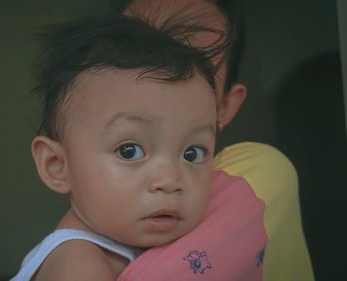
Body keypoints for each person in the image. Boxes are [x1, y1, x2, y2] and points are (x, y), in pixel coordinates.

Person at [12, 13, 230, 281]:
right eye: (130, 151)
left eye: (192, 153)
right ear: (57, 166)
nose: (170, 180)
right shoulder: (79, 264)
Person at [111, 0, 315, 280]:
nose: (156, 83)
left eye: (191, 71)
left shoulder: (260, 172)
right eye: (136, 57)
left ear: (225, 106)